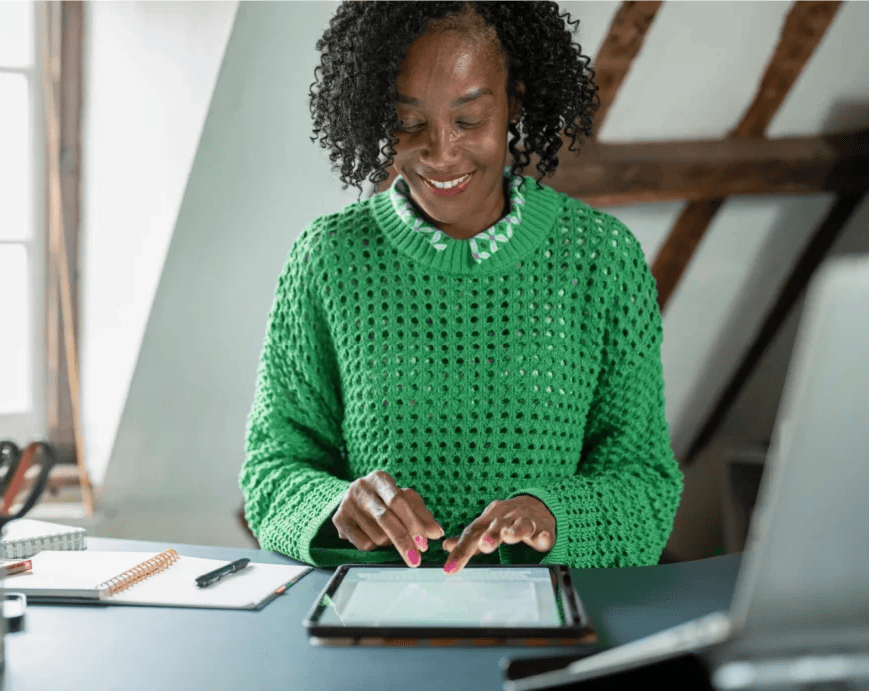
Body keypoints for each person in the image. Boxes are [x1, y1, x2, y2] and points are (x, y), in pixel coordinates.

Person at [239, 0, 683, 573]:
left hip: (543, 625)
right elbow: (271, 472)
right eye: (408, 122)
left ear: (515, 100)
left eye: (468, 120)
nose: (440, 152)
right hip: (377, 625)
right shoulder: (328, 259)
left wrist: (553, 515)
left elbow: (645, 485)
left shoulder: (600, 259)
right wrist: (336, 506)